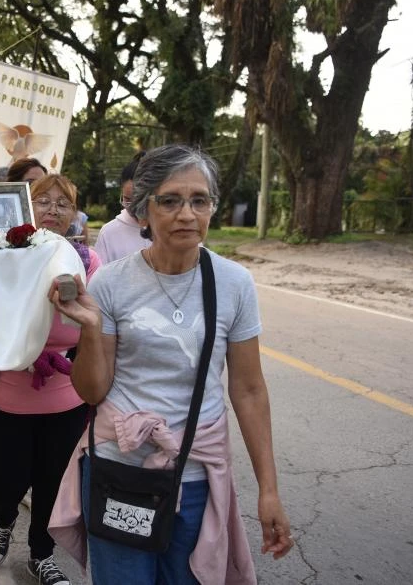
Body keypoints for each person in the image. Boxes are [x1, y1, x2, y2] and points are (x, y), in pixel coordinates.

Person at [49, 145, 293, 584]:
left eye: (199, 200)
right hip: (118, 468)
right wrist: (89, 330)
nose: (186, 213)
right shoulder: (111, 282)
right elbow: (91, 392)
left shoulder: (234, 283)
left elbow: (249, 389)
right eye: (170, 200)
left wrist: (269, 490)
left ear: (211, 209)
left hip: (197, 472)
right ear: (144, 211)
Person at [0, 174, 102, 585]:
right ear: (25, 208)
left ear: (74, 213)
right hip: (6, 398)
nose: (54, 210)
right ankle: (2, 521)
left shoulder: (87, 263)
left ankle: (41, 555)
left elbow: (95, 325)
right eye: (44, 201)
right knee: (5, 482)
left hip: (66, 398)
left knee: (53, 485)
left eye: (64, 203)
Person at [94, 153, 151, 263]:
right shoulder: (109, 232)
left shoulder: (166, 229)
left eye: (140, 199)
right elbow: (99, 275)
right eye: (127, 199)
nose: (134, 207)